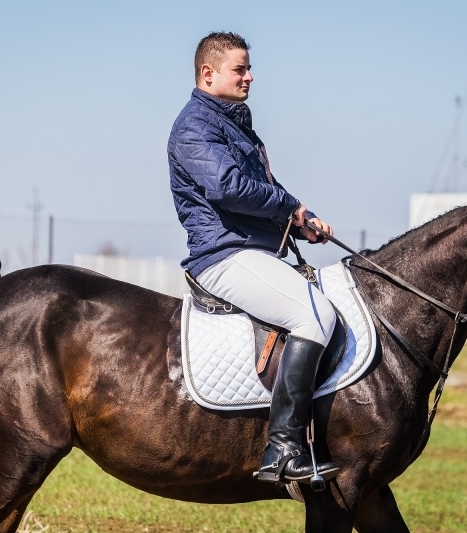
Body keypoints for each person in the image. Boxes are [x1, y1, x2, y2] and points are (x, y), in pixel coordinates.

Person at [168, 31, 340, 485]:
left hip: (254, 248)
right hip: (223, 254)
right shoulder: (194, 127)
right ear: (208, 74)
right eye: (240, 69)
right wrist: (291, 208)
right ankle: (282, 450)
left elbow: (266, 189)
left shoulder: (234, 124)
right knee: (316, 316)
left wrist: (301, 218)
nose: (250, 76)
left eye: (249, 68)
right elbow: (227, 188)